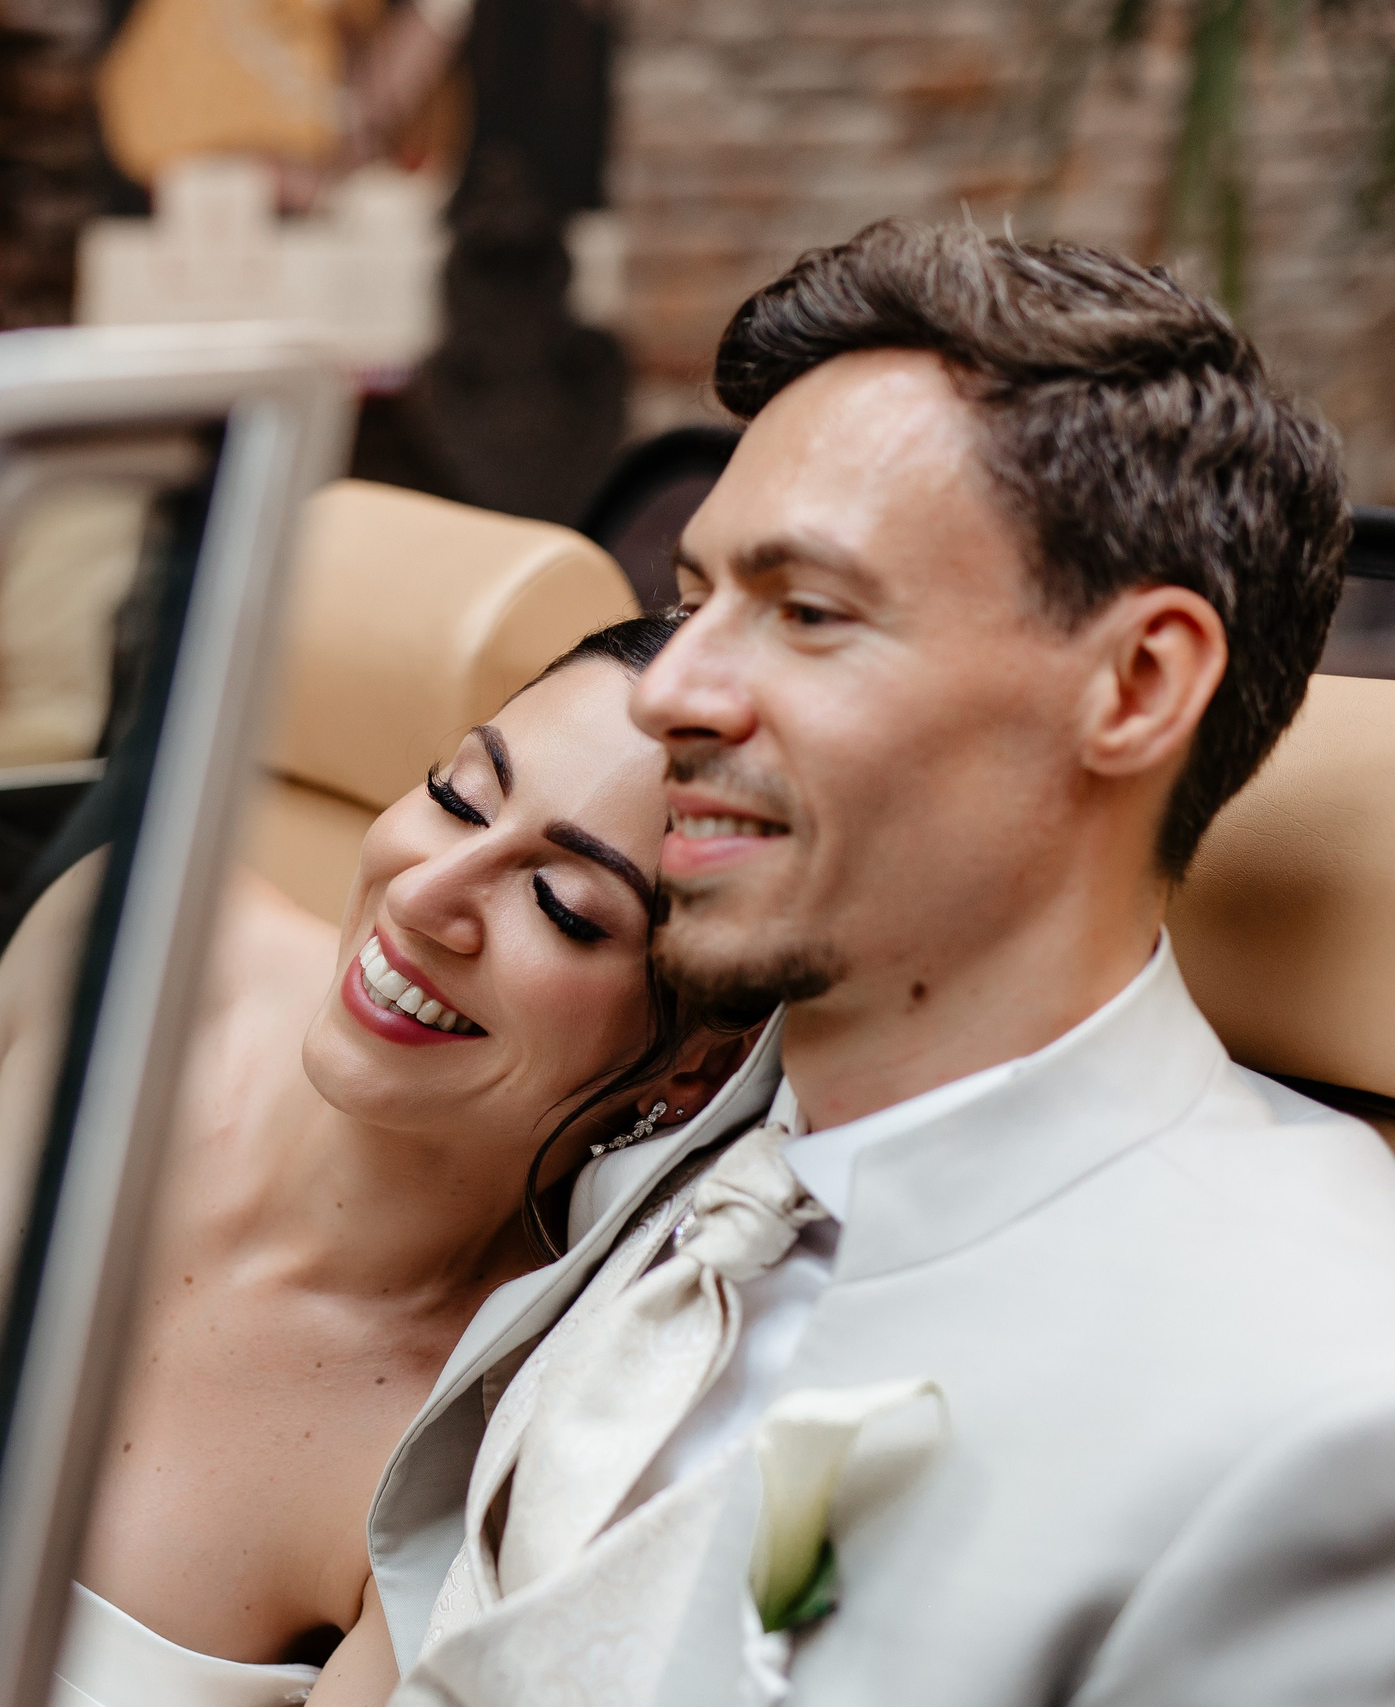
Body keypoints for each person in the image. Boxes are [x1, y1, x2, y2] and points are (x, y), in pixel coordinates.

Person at [362, 221, 1395, 1707]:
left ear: (1138, 685)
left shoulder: (1318, 1407)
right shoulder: (684, 1137)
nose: (670, 689)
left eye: (806, 611)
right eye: (697, 591)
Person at [0, 614, 753, 1707]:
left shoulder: (493, 1452)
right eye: (456, 794)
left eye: (565, 909)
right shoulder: (152, 942)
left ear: (689, 1066)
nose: (430, 892)